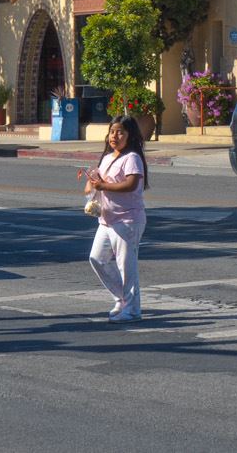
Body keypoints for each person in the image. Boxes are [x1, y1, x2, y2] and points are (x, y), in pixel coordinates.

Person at [80, 115, 147, 321]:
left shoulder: (132, 158)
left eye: (120, 132)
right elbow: (90, 188)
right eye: (112, 132)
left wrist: (104, 186)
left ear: (130, 135)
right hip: (106, 219)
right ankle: (121, 299)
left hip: (127, 219)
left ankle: (132, 310)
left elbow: (131, 184)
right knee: (97, 258)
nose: (114, 136)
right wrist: (92, 181)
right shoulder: (107, 158)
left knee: (126, 266)